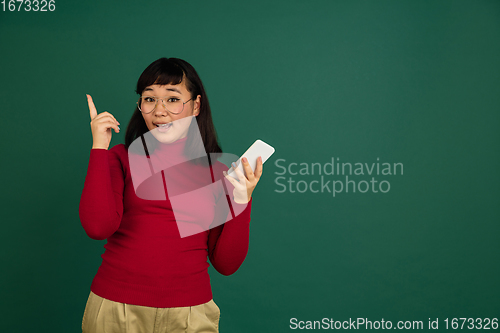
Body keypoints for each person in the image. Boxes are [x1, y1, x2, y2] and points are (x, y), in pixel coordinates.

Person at [79, 57, 263, 333]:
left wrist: (242, 199)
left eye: (173, 99)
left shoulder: (219, 171)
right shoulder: (121, 158)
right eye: (149, 99)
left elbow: (226, 264)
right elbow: (98, 227)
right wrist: (99, 148)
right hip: (116, 308)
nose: (159, 111)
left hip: (190, 313)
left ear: (196, 106)